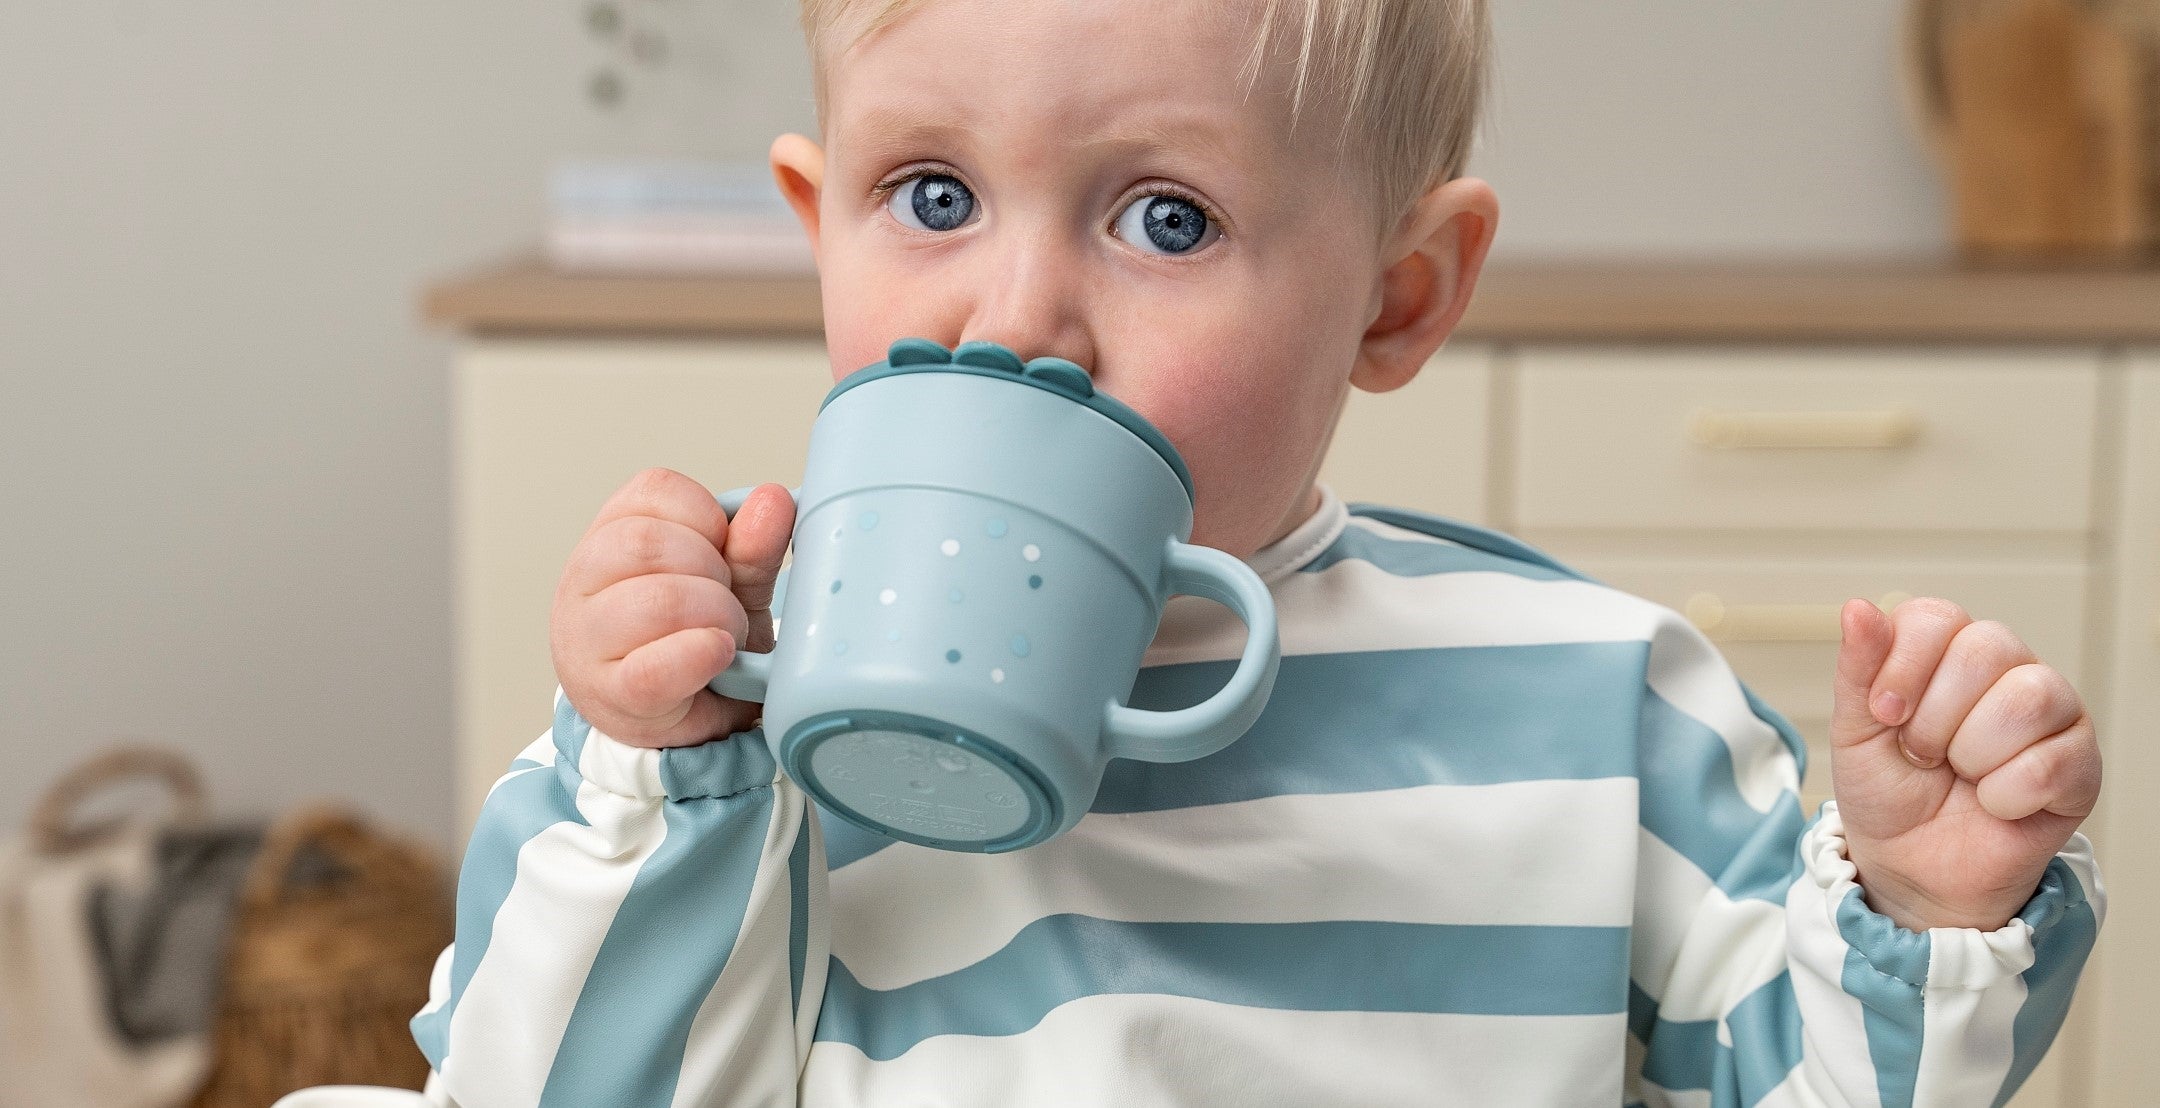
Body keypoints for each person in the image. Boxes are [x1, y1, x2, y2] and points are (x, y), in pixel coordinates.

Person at [389, 0, 2106, 1103]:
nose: (1018, 320)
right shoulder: (728, 716)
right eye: (928, 195)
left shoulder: (1597, 696)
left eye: (1166, 219)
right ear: (812, 224)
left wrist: (1927, 911)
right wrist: (655, 778)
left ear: (1399, 293)